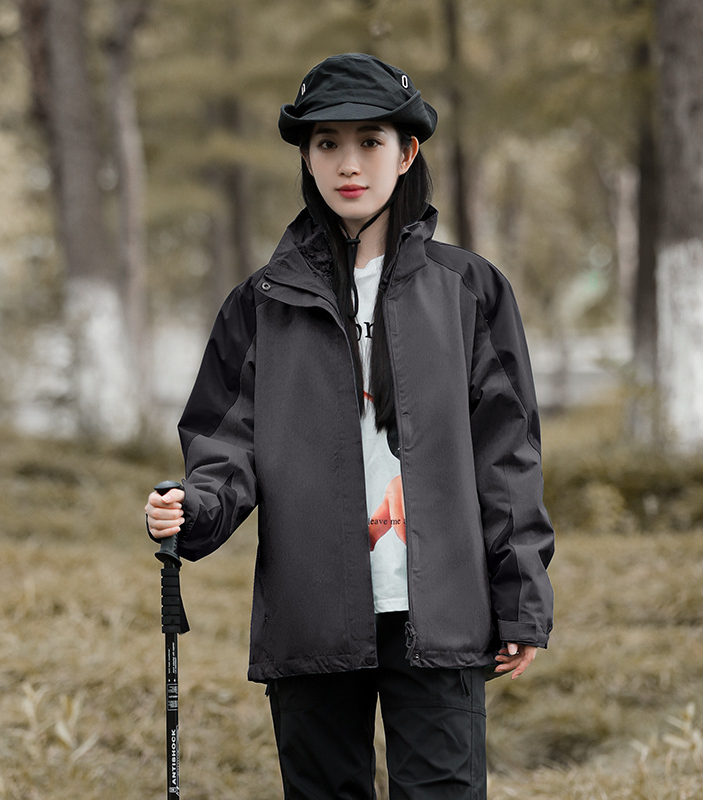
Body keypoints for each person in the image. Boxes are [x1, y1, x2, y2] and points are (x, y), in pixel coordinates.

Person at [146, 52, 554, 800]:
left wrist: (520, 593)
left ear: (408, 151)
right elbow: (224, 441)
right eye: (327, 143)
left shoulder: (469, 289)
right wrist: (193, 508)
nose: (349, 163)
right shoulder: (261, 301)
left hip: (440, 613)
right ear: (306, 156)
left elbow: (507, 454)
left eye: (370, 140)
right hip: (312, 611)